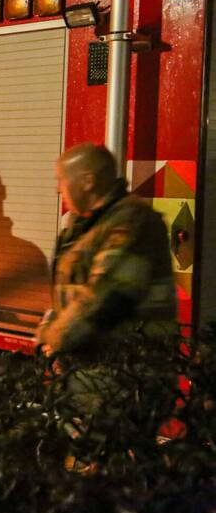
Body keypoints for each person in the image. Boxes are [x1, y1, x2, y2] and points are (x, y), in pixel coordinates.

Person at [36, 143, 177, 418]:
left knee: (112, 456)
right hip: (91, 372)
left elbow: (108, 295)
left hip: (125, 376)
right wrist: (46, 335)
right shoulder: (84, 227)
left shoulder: (133, 221)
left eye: (62, 181)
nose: (58, 189)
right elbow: (66, 295)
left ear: (87, 181)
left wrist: (55, 338)